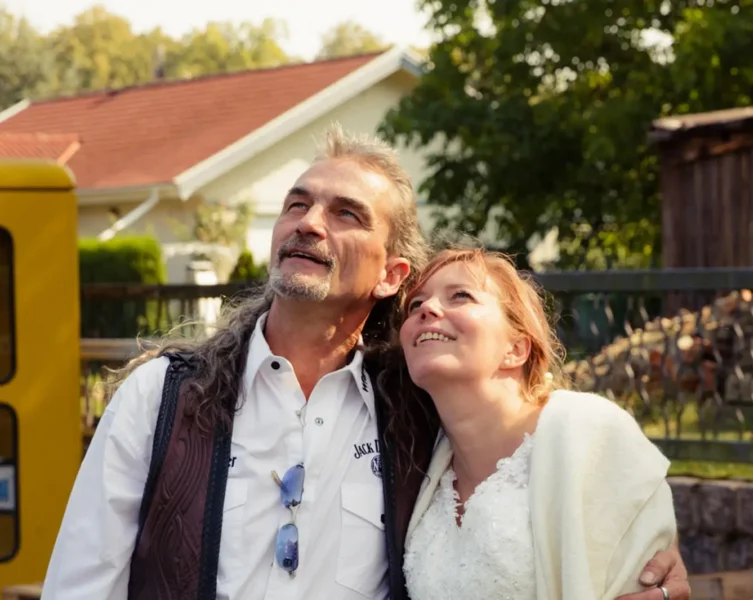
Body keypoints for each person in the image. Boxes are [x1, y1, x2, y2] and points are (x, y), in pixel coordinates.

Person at [42, 124, 689, 600]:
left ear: (391, 275)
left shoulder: (416, 411)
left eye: (345, 213)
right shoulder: (160, 397)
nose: (309, 223)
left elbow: (535, 473)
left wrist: (649, 559)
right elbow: (81, 584)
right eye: (297, 204)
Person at [391, 247, 681, 600]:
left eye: (461, 296)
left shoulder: (590, 433)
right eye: (415, 304)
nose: (427, 309)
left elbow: (645, 570)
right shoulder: (420, 466)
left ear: (516, 348)